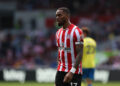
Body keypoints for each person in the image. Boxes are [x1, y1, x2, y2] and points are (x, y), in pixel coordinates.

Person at [55, 7, 84, 86]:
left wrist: (72, 72)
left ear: (67, 16)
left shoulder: (77, 31)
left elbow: (80, 53)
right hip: (60, 71)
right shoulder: (58, 33)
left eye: (59, 15)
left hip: (74, 72)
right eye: (56, 16)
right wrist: (59, 70)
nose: (57, 18)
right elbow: (60, 51)